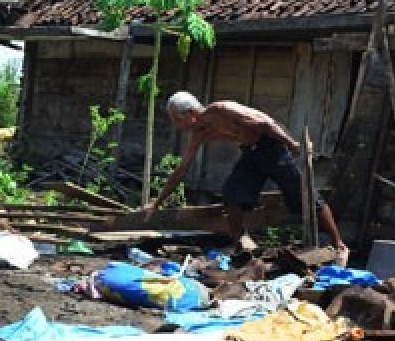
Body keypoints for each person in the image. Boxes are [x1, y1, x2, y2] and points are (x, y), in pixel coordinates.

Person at [144, 91, 347, 259]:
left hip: (271, 147)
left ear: (190, 113)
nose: (178, 126)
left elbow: (264, 123)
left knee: (305, 196)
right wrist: (157, 203)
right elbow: (182, 169)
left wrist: (290, 143)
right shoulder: (200, 133)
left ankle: (339, 245)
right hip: (251, 152)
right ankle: (240, 245)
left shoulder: (221, 110)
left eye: (177, 120)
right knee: (232, 194)